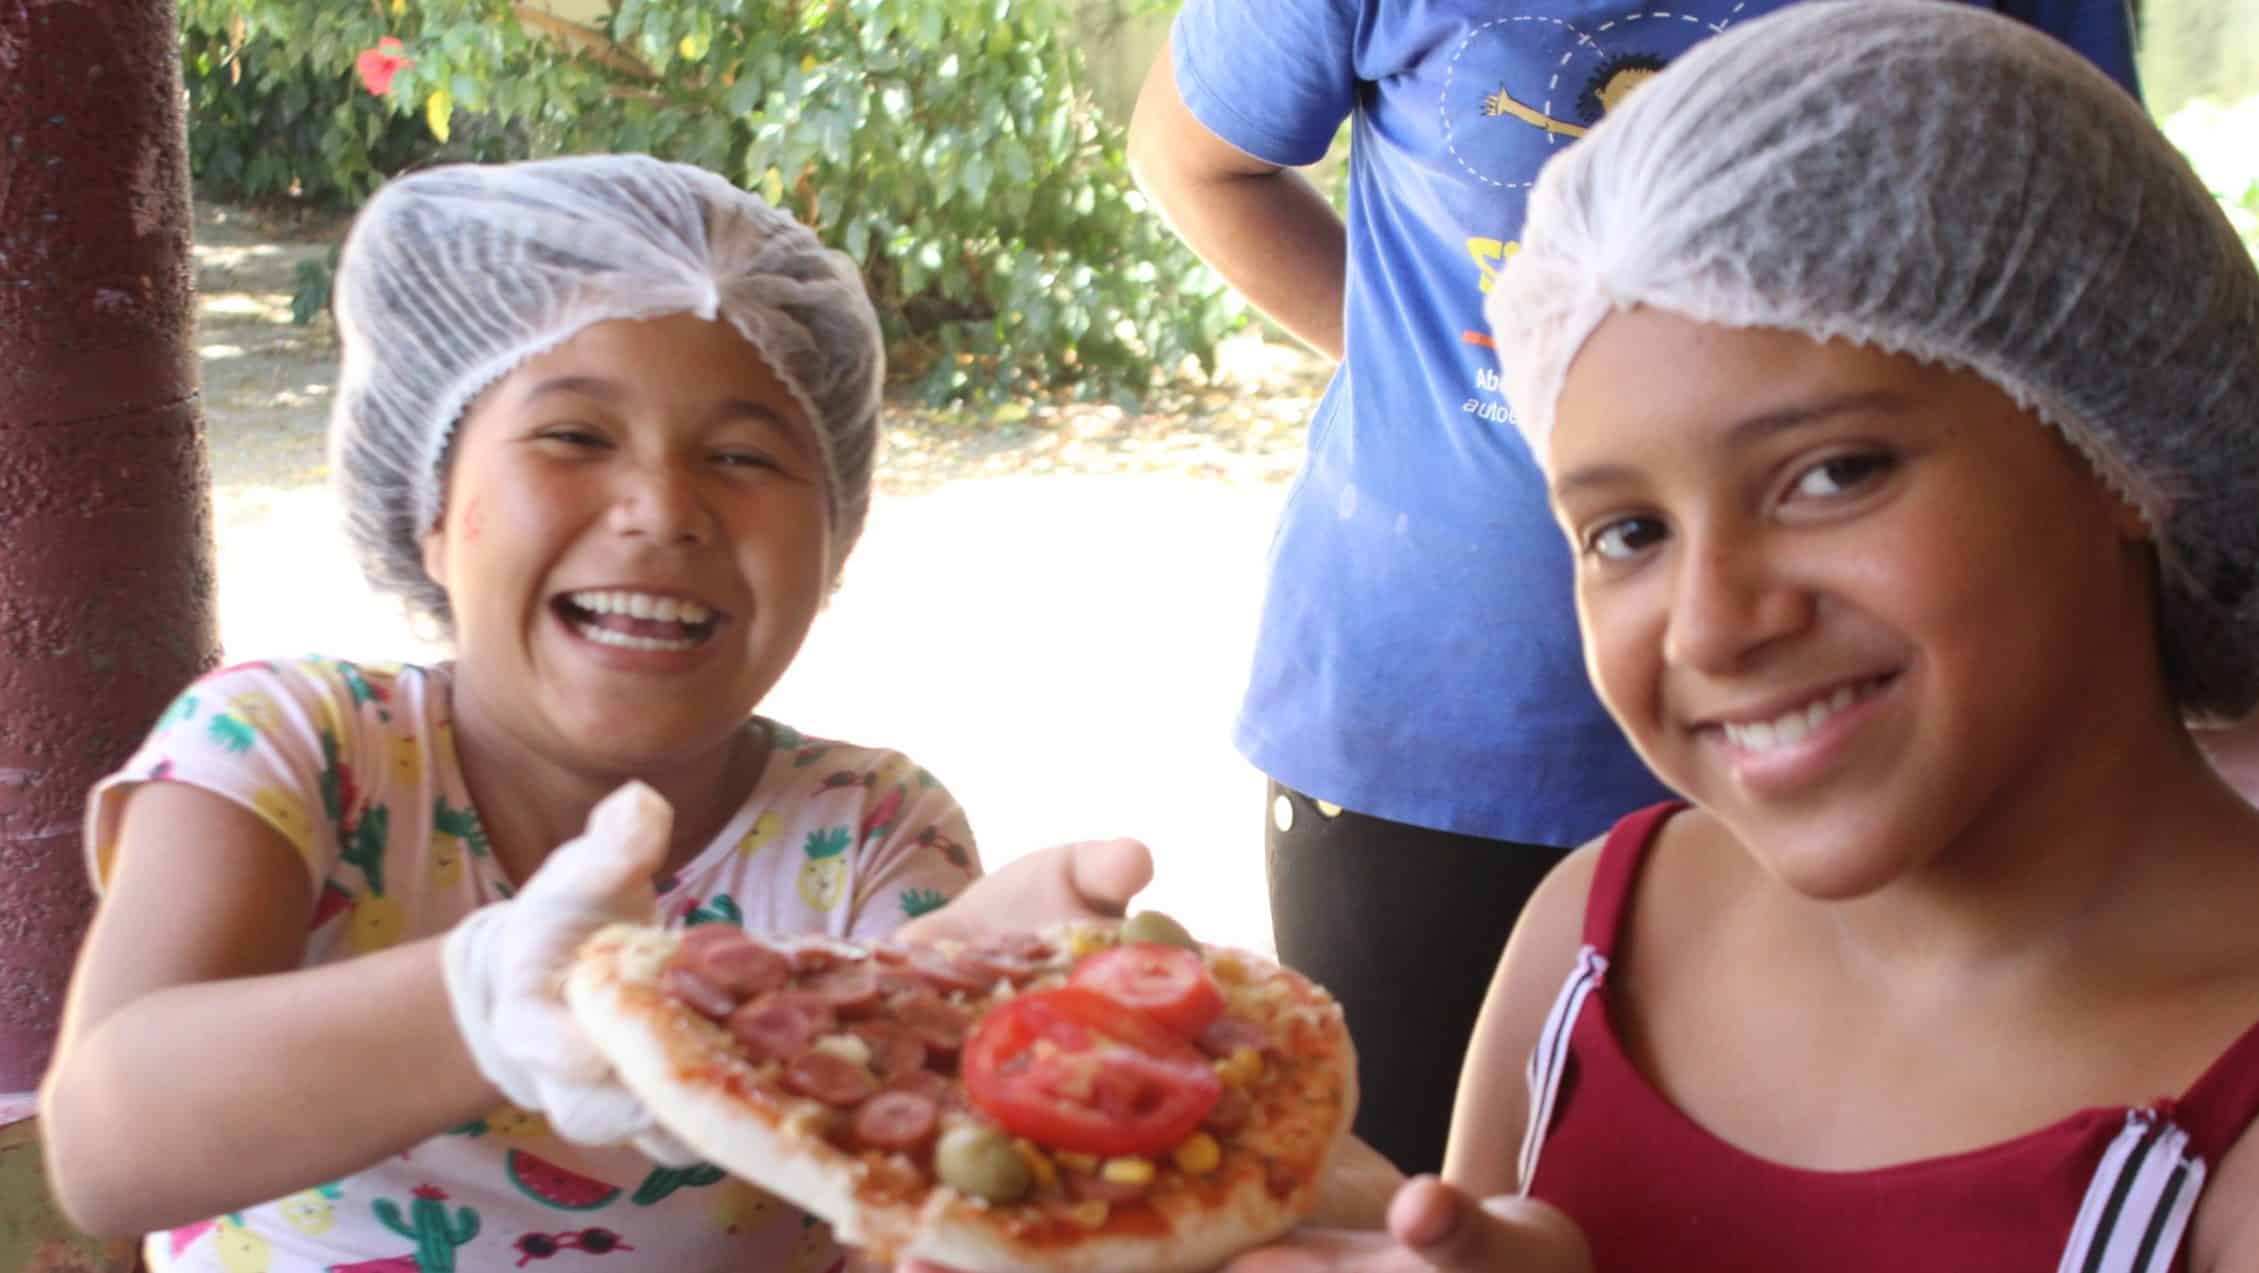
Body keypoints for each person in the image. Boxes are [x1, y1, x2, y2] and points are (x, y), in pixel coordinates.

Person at [1185, 2, 2259, 1268]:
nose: (1710, 623)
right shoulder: (1591, 939)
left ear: (2121, 441)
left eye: (1834, 471)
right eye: (1628, 532)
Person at [37, 155, 1153, 1273]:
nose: (664, 508)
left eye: (743, 455)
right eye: (573, 436)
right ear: (429, 507)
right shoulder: (288, 747)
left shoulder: (864, 833)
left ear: (833, 547)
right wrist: (487, 995)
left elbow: (909, 1212)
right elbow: (105, 1148)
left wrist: (995, 1050)